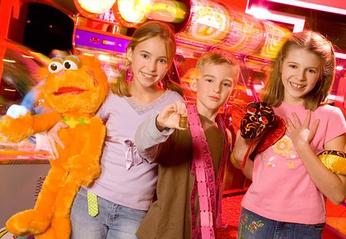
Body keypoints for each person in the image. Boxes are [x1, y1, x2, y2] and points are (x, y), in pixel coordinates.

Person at [68, 21, 184, 239]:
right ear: (130, 53)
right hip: (92, 198)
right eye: (145, 56)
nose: (151, 68)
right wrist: (61, 126)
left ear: (169, 65)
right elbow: (84, 125)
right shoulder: (111, 94)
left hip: (135, 211)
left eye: (161, 61)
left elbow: (166, 155)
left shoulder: (173, 103)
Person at [231, 30, 346, 239]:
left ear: (322, 74)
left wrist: (302, 147)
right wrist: (240, 154)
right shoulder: (263, 111)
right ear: (281, 64)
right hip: (256, 216)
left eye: (310, 70)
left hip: (303, 227)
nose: (300, 77)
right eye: (293, 66)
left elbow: (337, 194)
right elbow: (259, 175)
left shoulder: (331, 117)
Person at [134, 52, 240, 239]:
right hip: (164, 229)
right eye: (209, 80)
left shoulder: (225, 133)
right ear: (194, 82)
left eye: (226, 84)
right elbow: (143, 146)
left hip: (197, 230)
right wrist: (158, 124)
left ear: (233, 91)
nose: (216, 89)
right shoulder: (176, 120)